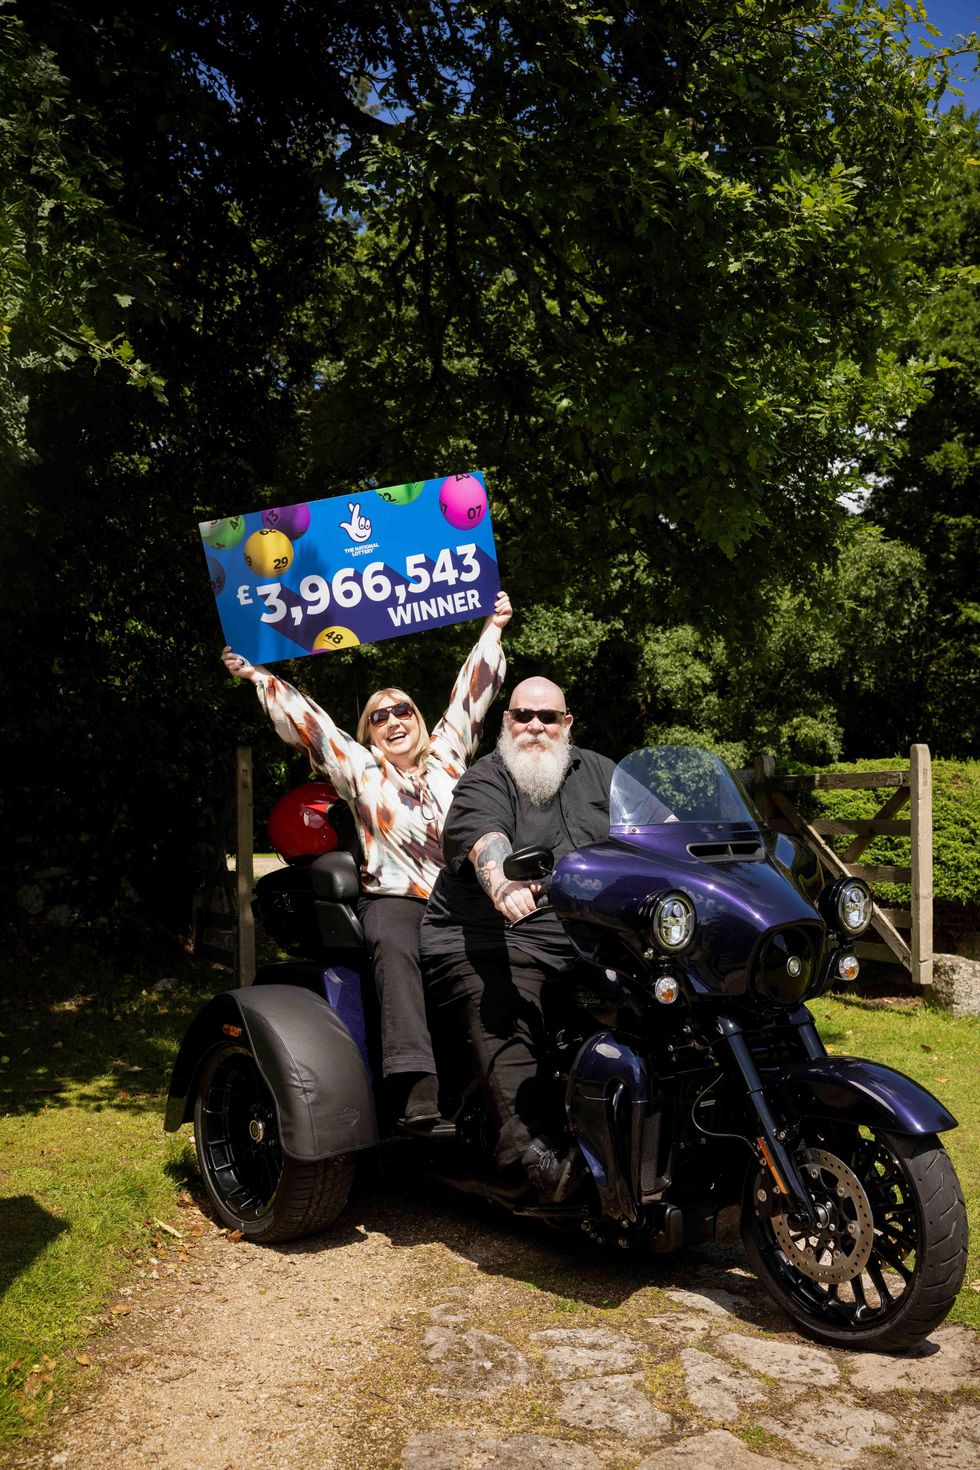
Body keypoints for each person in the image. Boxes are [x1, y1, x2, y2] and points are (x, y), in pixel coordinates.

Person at [221, 590, 512, 1128]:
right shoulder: (361, 771)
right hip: (396, 899)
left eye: (403, 710)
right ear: (369, 733)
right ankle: (416, 1094)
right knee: (396, 946)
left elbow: (471, 697)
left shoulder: (449, 755)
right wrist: (258, 676)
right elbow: (312, 724)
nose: (393, 720)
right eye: (379, 717)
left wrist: (493, 628)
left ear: (419, 719)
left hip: (460, 895)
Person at [420, 676, 616, 1201]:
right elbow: (483, 836)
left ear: (566, 723)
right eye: (522, 715)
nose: (534, 725)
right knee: (504, 1012)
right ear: (506, 721)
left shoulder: (601, 772)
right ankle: (541, 1159)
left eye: (547, 717)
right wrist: (502, 880)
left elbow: (652, 827)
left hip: (581, 939)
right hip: (487, 936)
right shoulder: (485, 778)